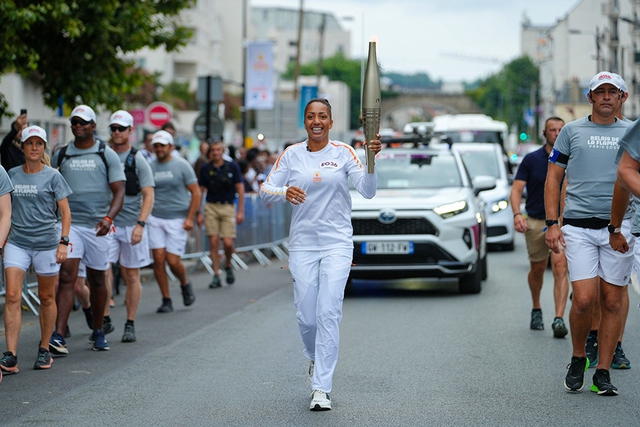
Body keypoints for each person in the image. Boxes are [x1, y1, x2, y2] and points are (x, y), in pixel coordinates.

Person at [259, 98, 382, 411]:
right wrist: (282, 192)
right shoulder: (291, 154)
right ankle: (314, 357)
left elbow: (367, 190)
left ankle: (321, 389)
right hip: (302, 245)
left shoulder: (343, 153)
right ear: (305, 121)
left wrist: (371, 160)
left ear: (330, 121)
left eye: (323, 116)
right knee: (306, 315)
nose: (317, 121)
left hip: (337, 244)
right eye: (311, 116)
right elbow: (264, 191)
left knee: (328, 311)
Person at [545, 72, 633, 396]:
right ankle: (578, 355)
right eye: (601, 92)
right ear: (591, 98)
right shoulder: (571, 131)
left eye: (613, 92)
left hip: (619, 228)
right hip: (579, 226)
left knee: (612, 301)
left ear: (622, 97)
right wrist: (552, 222)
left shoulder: (632, 133)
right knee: (583, 300)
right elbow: (553, 179)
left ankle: (603, 372)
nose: (606, 97)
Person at [50, 105, 125, 353]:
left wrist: (108, 218)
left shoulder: (106, 153)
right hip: (70, 225)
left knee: (97, 279)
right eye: (75, 122)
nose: (78, 126)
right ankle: (59, 335)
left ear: (93, 126)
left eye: (84, 122)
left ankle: (98, 330)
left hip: (98, 227)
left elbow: (119, 191)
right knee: (66, 277)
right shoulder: (61, 154)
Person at [0, 126, 70, 374]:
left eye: (39, 144)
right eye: (30, 143)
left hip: (46, 245)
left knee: (47, 297)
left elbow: (65, 212)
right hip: (18, 242)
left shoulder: (53, 176)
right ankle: (11, 355)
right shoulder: (12, 174)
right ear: (23, 147)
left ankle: (44, 348)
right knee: (11, 296)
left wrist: (63, 242)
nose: (34, 148)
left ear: (44, 148)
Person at [510, 117, 569, 337]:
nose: (556, 133)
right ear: (544, 132)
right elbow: (516, 190)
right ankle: (536, 308)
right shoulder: (531, 160)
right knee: (537, 269)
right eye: (552, 130)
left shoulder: (572, 158)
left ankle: (559, 318)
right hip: (536, 221)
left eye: (561, 130)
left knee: (560, 268)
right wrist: (517, 214)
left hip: (563, 222)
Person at [105, 110, 155, 342]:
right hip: (107, 225)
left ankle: (130, 322)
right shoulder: (103, 155)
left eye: (121, 128)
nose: (116, 132)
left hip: (131, 224)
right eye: (113, 128)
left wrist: (140, 225)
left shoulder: (138, 159)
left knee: (131, 275)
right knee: (103, 269)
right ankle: (103, 318)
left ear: (129, 131)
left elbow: (149, 195)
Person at [148, 130, 201, 313]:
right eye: (156, 145)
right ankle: (166, 298)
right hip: (155, 217)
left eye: (163, 145)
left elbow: (196, 192)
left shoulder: (182, 165)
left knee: (172, 261)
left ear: (171, 147)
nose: (159, 149)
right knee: (158, 259)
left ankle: (184, 283)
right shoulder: (149, 166)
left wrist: (190, 218)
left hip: (178, 218)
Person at [197, 139, 244, 288]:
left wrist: (241, 211)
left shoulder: (232, 167)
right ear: (209, 153)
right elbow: (200, 191)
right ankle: (216, 274)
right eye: (213, 150)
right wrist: (198, 212)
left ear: (222, 151)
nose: (216, 153)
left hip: (228, 206)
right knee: (213, 242)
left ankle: (228, 264)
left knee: (228, 243)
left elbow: (240, 189)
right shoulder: (205, 169)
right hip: (211, 206)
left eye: (218, 150)